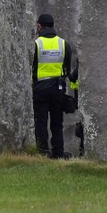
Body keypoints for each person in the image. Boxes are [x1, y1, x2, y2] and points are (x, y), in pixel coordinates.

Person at [30, 13, 75, 159]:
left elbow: (31, 65)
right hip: (58, 87)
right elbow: (67, 68)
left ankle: (43, 151)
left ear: (40, 26)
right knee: (57, 122)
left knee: (41, 121)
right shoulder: (63, 43)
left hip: (40, 87)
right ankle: (58, 152)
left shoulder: (36, 44)